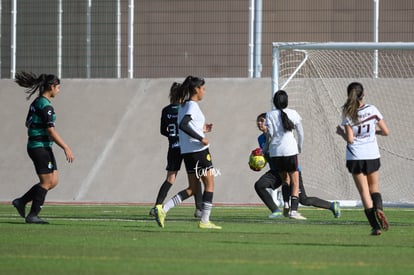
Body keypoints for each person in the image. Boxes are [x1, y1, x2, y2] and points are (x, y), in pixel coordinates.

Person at [154, 76, 221, 229]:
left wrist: (202, 129)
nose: (204, 92)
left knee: (192, 189)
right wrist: (201, 138)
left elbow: (183, 125)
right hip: (199, 151)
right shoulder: (191, 106)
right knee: (210, 184)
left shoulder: (183, 106)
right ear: (196, 89)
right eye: (203, 88)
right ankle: (205, 221)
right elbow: (184, 125)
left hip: (187, 152)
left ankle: (163, 209)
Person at [12, 71, 74, 224]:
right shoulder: (46, 106)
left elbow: (27, 123)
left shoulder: (36, 102)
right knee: (46, 182)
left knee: (53, 181)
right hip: (39, 146)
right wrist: (66, 147)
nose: (58, 91)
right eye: (58, 88)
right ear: (52, 87)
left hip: (43, 146)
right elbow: (51, 130)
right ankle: (33, 215)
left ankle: (21, 201)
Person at [254, 113, 341, 219]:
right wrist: (259, 161)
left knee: (303, 199)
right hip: (276, 171)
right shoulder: (260, 139)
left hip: (290, 170)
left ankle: (332, 205)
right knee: (259, 185)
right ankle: (275, 211)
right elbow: (269, 156)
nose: (259, 123)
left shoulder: (277, 135)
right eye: (258, 121)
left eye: (262, 120)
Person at [337, 82, 389, 236]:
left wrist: (341, 133)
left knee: (364, 193)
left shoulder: (347, 112)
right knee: (374, 189)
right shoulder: (372, 110)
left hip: (355, 156)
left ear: (349, 95)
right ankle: (379, 208)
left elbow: (351, 139)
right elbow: (386, 131)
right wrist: (374, 132)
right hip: (372, 154)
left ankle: (375, 227)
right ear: (363, 94)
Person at [149, 82, 202, 218]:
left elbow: (163, 131)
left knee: (170, 178)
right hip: (187, 148)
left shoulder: (166, 110)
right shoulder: (185, 108)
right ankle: (199, 209)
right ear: (184, 94)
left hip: (173, 147)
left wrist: (172, 138)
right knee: (196, 178)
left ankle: (157, 206)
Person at [263, 90, 306, 220]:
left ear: (274, 102)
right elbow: (301, 133)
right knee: (295, 181)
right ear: (286, 101)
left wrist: (265, 150)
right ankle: (293, 211)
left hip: (276, 153)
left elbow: (269, 136)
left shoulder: (269, 115)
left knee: (284, 180)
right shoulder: (293, 113)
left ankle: (286, 203)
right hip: (290, 151)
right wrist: (299, 147)